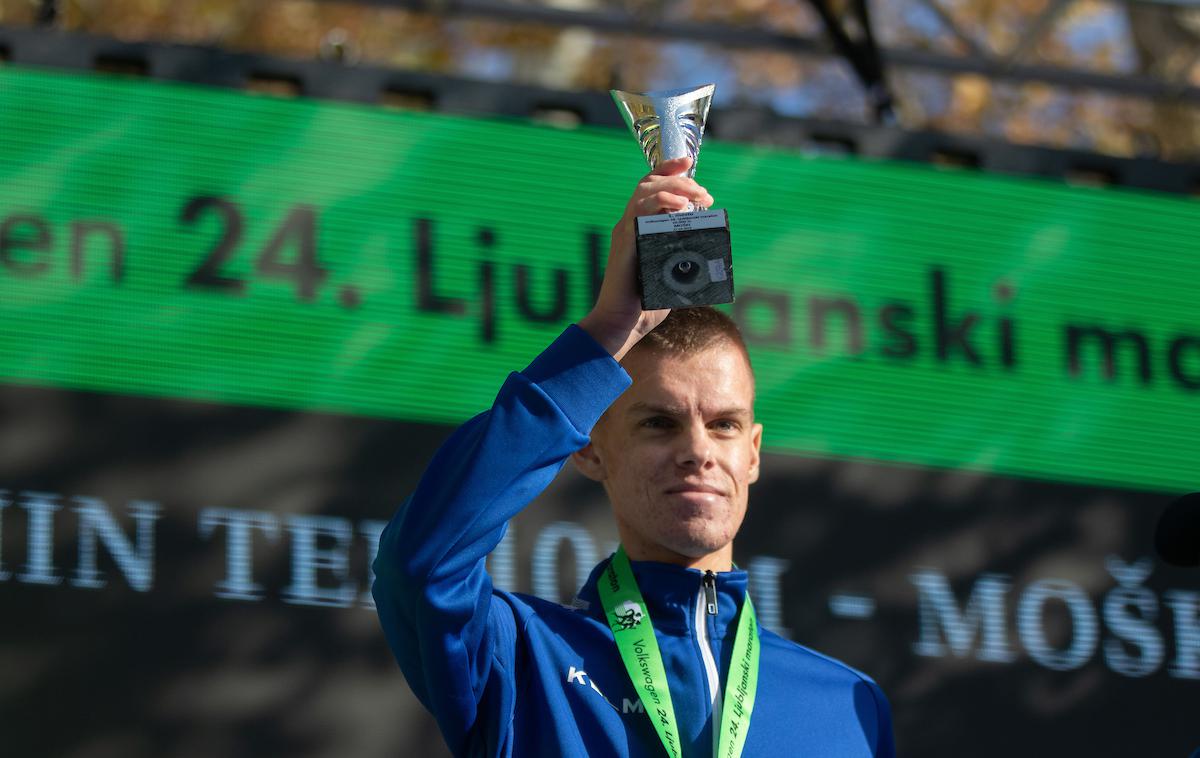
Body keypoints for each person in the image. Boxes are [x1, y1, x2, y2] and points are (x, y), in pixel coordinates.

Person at [372, 157, 895, 757]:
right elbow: (423, 563)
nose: (698, 451)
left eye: (724, 425)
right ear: (589, 448)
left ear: (753, 454)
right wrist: (608, 330)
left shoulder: (847, 706)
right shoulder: (524, 657)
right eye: (658, 423)